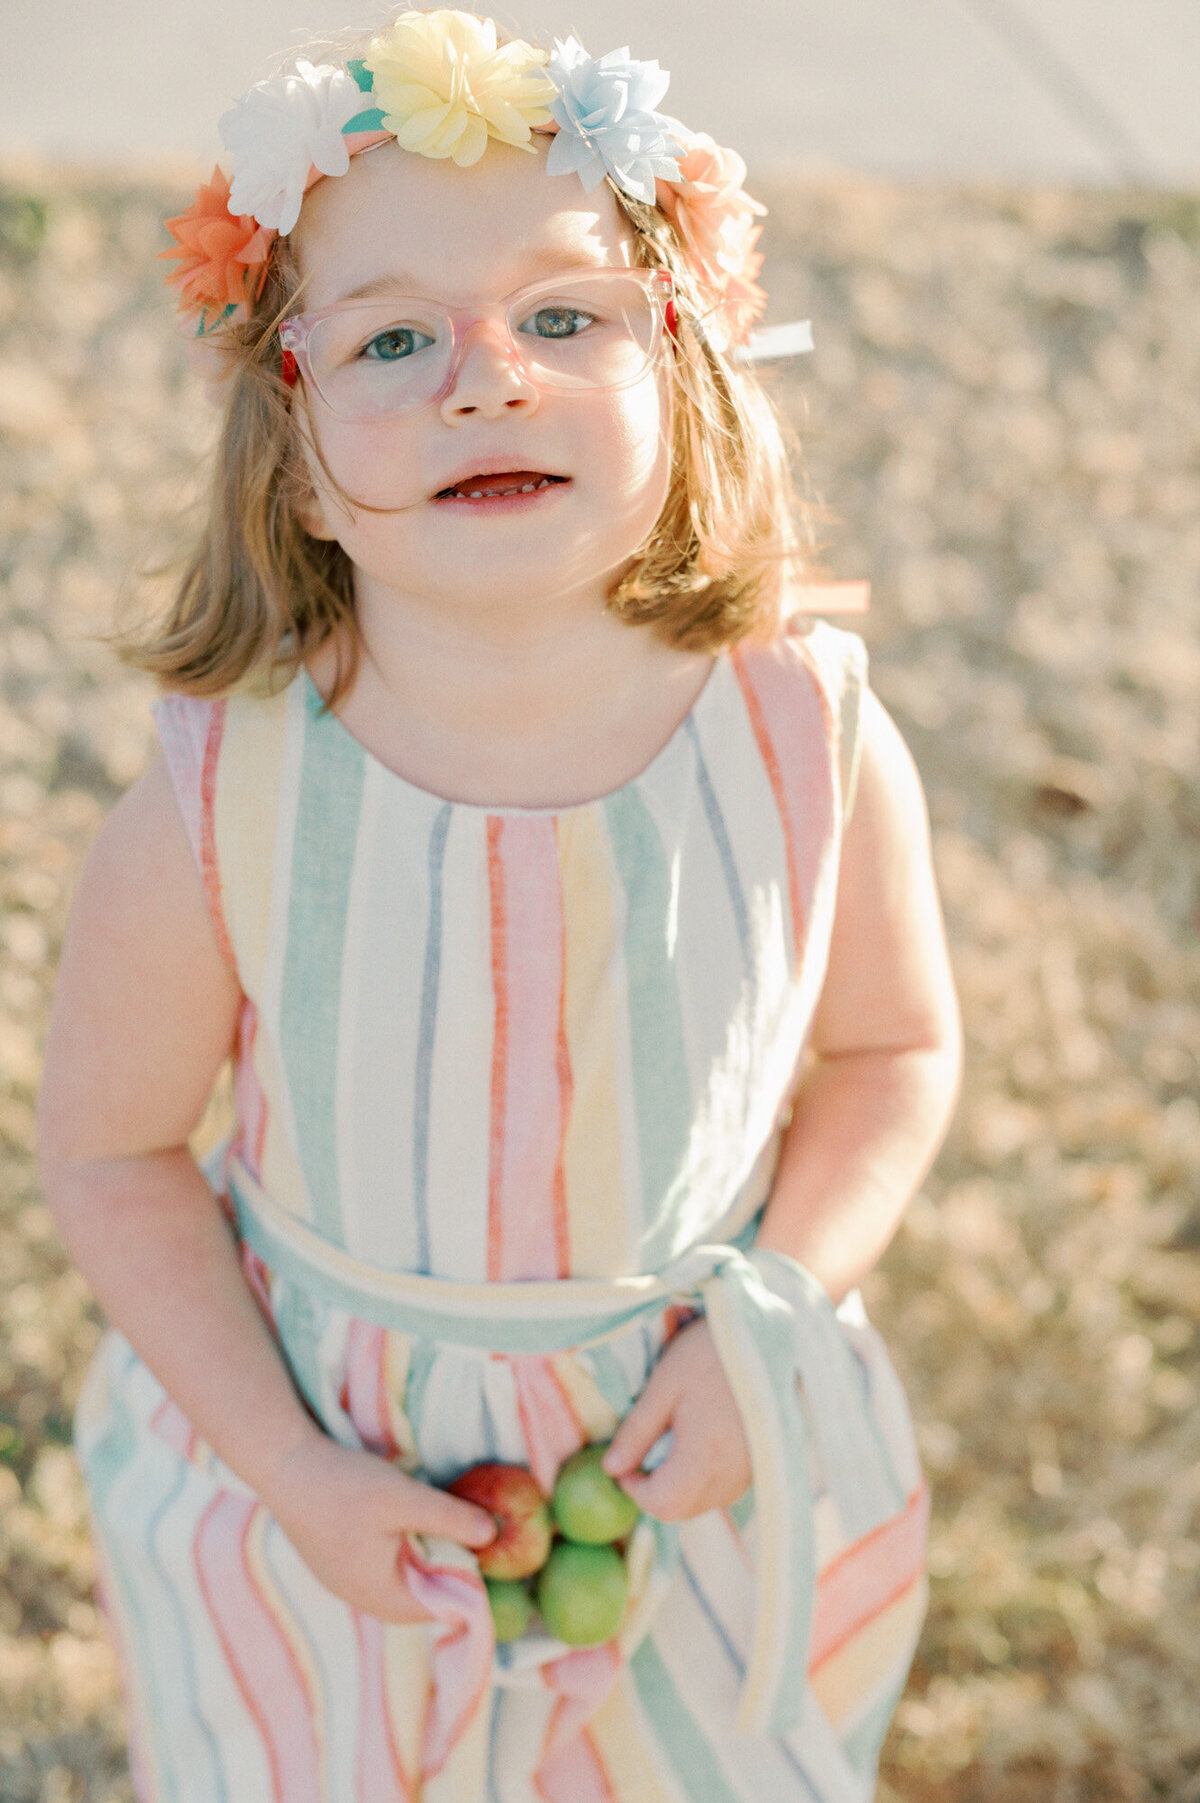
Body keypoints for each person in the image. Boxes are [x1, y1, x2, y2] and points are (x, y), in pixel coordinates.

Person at [37, 10, 962, 1800]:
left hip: (689, 1436)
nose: (488, 375)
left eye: (563, 316)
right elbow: (114, 1155)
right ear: (297, 460)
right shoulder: (230, 800)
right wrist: (291, 1472)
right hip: (332, 1468)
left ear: (682, 369)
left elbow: (894, 1050)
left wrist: (781, 1294)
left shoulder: (804, 739)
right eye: (393, 336)